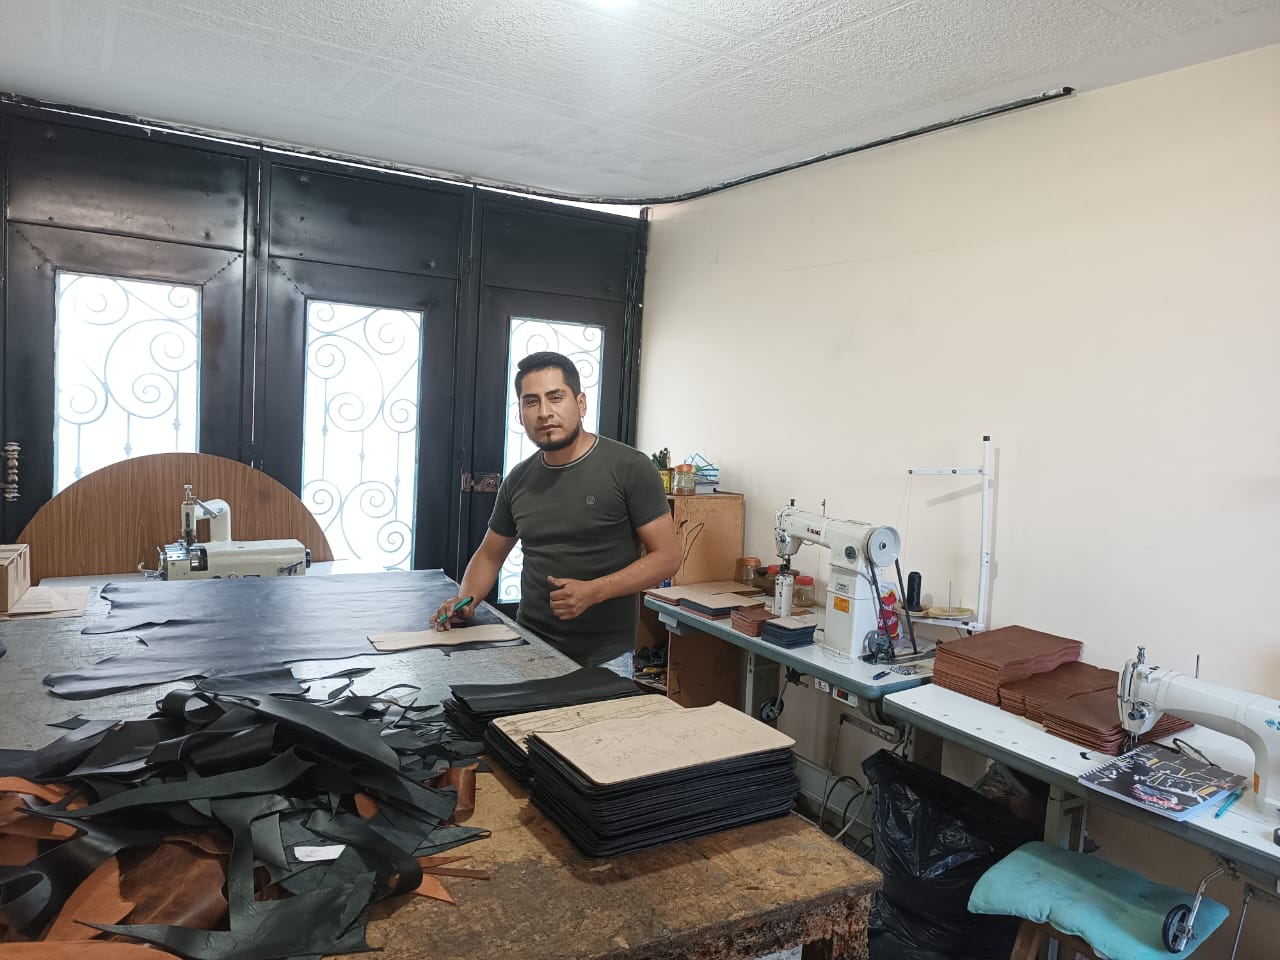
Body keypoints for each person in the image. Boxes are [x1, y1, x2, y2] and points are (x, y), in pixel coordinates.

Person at [435, 351, 680, 667]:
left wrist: (594, 591)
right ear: (520, 414)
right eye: (531, 401)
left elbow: (668, 557)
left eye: (555, 397)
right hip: (530, 646)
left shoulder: (630, 468)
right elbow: (490, 554)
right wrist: (466, 599)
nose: (544, 412)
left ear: (580, 404)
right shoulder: (518, 481)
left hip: (606, 657)